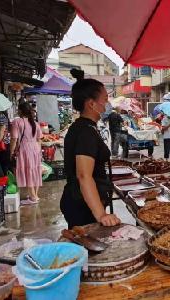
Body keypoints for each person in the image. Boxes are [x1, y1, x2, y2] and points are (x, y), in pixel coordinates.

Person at [60, 69, 121, 228]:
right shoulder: (85, 131)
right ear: (91, 104)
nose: (107, 104)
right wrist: (101, 214)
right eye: (105, 99)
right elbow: (83, 175)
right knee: (88, 248)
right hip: (82, 204)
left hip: (82, 200)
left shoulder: (86, 127)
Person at [10, 102, 42, 204]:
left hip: (25, 149)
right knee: (35, 171)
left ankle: (33, 198)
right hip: (35, 149)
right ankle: (35, 195)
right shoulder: (35, 123)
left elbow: (14, 139)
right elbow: (39, 139)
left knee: (28, 172)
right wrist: (38, 151)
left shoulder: (17, 122)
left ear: (20, 111)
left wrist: (11, 151)